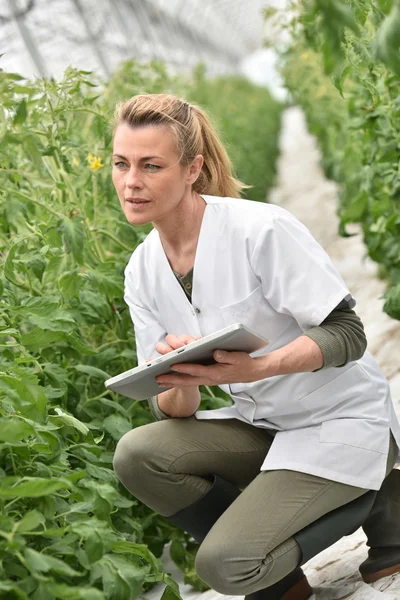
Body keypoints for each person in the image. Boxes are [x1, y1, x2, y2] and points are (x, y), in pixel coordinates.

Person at [111, 93, 400, 600]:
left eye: (151, 166)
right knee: (138, 454)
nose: (131, 182)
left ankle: (382, 492)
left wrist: (259, 367)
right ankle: (279, 576)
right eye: (121, 163)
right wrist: (174, 373)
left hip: (340, 420)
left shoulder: (259, 229)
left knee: (223, 566)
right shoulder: (143, 270)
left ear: (192, 168)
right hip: (264, 426)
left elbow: (348, 334)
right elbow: (171, 410)